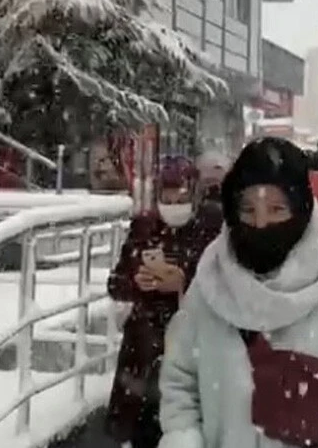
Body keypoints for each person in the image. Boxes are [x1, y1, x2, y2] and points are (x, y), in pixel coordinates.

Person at [157, 137, 318, 448]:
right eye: (248, 209)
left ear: (300, 209)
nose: (261, 223)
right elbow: (179, 382)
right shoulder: (209, 283)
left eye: (276, 209)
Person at [105, 156, 221, 448]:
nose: (173, 200)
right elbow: (116, 282)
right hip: (143, 346)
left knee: (189, 426)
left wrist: (184, 282)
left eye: (181, 192)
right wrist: (137, 281)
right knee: (143, 426)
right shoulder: (145, 226)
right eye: (167, 193)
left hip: (195, 341)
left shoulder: (213, 227)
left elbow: (225, 284)